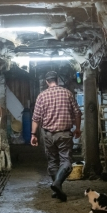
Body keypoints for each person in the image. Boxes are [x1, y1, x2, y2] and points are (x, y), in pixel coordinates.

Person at [30, 71, 82, 202]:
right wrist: (78, 129)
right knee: (66, 162)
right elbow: (77, 113)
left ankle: (57, 186)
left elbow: (35, 118)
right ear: (57, 80)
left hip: (48, 134)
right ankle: (57, 185)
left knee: (53, 162)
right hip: (64, 133)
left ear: (47, 82)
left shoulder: (41, 96)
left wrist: (33, 135)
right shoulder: (67, 93)